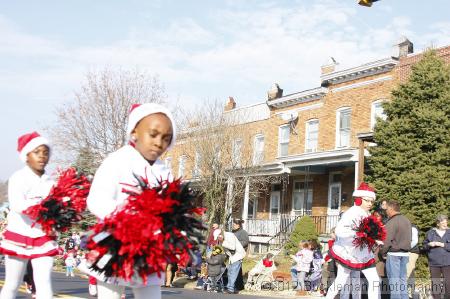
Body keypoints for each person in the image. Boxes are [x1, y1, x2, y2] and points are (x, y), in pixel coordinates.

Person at [86, 103, 176, 299]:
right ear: (135, 131)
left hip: (149, 250)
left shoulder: (165, 171)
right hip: (116, 243)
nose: (159, 143)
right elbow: (96, 199)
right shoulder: (117, 160)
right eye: (153, 134)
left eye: (166, 138)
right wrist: (128, 222)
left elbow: (171, 209)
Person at [0, 132, 59, 299]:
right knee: (12, 284)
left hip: (43, 237)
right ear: (26, 156)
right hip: (19, 236)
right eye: (36, 152)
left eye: (45, 152)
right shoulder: (18, 178)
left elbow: (58, 210)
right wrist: (43, 206)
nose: (42, 156)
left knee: (44, 283)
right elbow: (18, 205)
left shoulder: (51, 182)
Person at [325, 182, 381, 299]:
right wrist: (359, 234)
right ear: (359, 199)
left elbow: (368, 232)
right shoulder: (351, 213)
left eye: (372, 201)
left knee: (375, 281)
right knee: (341, 280)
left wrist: (374, 238)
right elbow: (340, 231)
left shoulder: (366, 213)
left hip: (363, 253)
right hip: (348, 252)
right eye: (367, 200)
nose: (370, 203)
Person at [381, 200, 412, 299]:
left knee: (394, 282)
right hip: (405, 254)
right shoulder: (406, 220)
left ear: (391, 209)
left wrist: (383, 252)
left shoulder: (392, 221)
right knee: (402, 281)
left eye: (387, 209)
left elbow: (386, 240)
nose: (386, 211)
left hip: (394, 254)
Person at [422, 214, 449, 299]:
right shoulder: (430, 233)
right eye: (443, 223)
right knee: (436, 284)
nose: (445, 224)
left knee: (448, 284)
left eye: (446, 222)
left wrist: (442, 244)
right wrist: (429, 244)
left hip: (447, 262)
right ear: (438, 224)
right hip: (434, 263)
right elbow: (424, 246)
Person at [232, 219, 249, 292]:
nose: (233, 226)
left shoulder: (243, 232)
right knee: (235, 269)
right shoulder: (233, 232)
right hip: (232, 253)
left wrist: (237, 245)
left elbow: (245, 242)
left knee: (237, 269)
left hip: (239, 253)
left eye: (234, 225)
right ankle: (236, 285)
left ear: (238, 225)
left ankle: (238, 286)